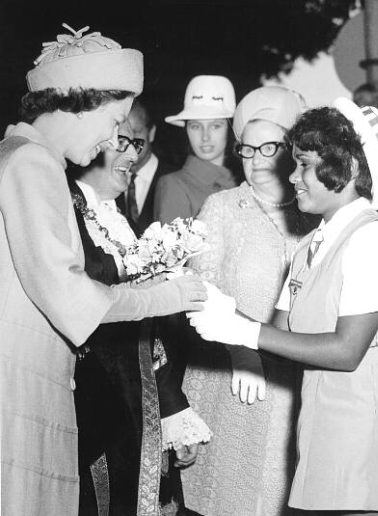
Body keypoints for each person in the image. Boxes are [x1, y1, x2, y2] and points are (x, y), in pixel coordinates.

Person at [0, 24, 206, 516]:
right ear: (79, 102)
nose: (115, 139)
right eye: (114, 119)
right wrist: (169, 295)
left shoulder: (17, 154)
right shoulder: (31, 163)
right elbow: (72, 297)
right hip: (19, 390)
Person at [190, 98, 378, 514]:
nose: (292, 176)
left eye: (304, 164)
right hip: (319, 425)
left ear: (350, 169)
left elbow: (346, 350)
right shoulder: (309, 244)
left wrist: (243, 330)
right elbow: (281, 337)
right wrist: (222, 312)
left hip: (361, 429)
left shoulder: (373, 239)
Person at [181, 85, 317, 516]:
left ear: (292, 149)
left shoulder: (315, 209)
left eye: (270, 147)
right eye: (247, 149)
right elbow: (198, 288)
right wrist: (242, 352)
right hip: (232, 380)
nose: (257, 159)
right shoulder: (222, 206)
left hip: (295, 384)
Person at [68, 125, 212, 515]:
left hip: (134, 408)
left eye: (136, 143)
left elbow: (149, 335)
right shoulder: (66, 213)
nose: (132, 153)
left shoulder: (121, 221)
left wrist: (172, 410)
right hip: (91, 409)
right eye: (121, 142)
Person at [153, 74, 239, 224]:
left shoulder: (241, 182)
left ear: (229, 129)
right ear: (186, 130)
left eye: (215, 126)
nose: (205, 136)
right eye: (195, 126)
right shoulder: (174, 185)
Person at [116, 97, 174, 235]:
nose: (129, 142)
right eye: (122, 135)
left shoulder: (174, 178)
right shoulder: (107, 179)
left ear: (151, 133)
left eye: (135, 132)